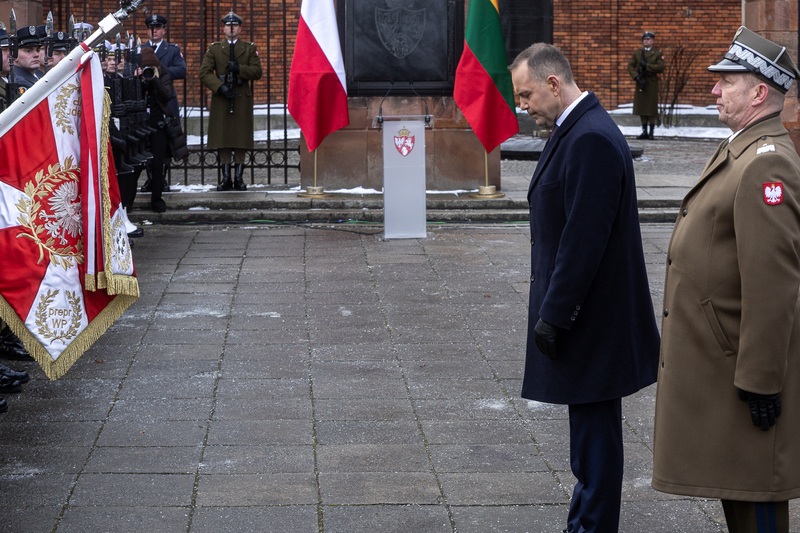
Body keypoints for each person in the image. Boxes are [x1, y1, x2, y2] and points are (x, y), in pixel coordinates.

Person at [652, 27, 800, 533]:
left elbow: (773, 282)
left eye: (727, 81)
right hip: (723, 365)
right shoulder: (744, 148)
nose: (713, 89)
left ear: (760, 92)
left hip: (741, 371)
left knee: (755, 497)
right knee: (739, 494)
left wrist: (761, 380)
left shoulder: (767, 163)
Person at [509, 43, 660, 533]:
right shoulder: (577, 128)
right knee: (591, 437)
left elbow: (584, 239)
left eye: (527, 94)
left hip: (590, 317)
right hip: (589, 314)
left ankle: (592, 528)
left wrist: (555, 315)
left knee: (595, 441)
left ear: (554, 84)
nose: (523, 106)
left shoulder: (590, 137)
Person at [199, 11, 262, 191]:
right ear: (224, 28)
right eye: (228, 25)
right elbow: (204, 72)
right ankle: (226, 178)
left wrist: (240, 69)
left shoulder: (249, 48)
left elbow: (257, 71)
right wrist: (220, 87)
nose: (231, 28)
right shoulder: (215, 49)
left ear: (240, 28)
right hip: (222, 98)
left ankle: (239, 178)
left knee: (240, 139)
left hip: (241, 98)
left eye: (234, 26)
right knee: (223, 138)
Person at [140, 14, 186, 194]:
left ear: (163, 30)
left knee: (165, 141)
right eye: (151, 28)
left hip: (165, 100)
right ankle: (151, 178)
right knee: (146, 141)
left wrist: (159, 70)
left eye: (158, 28)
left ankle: (162, 179)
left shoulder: (172, 50)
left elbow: (182, 70)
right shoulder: (141, 49)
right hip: (145, 100)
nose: (154, 31)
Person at [137, 47, 176, 213]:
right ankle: (129, 198)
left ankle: (157, 198)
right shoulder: (136, 75)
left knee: (159, 163)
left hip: (158, 123)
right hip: (140, 125)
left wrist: (154, 80)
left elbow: (167, 96)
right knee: (137, 163)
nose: (148, 71)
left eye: (151, 68)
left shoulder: (162, 73)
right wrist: (139, 80)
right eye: (146, 68)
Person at [626, 31, 664, 140]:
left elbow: (661, 67)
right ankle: (644, 131)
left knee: (651, 108)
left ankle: (651, 132)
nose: (646, 41)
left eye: (648, 39)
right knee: (641, 107)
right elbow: (630, 66)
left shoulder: (657, 53)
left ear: (652, 41)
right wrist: (636, 76)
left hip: (651, 83)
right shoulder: (638, 53)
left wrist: (647, 66)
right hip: (641, 83)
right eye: (644, 39)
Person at [12, 26, 43, 91]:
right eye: (28, 51)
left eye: (37, 50)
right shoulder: (16, 80)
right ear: (14, 55)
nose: (36, 55)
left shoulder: (40, 74)